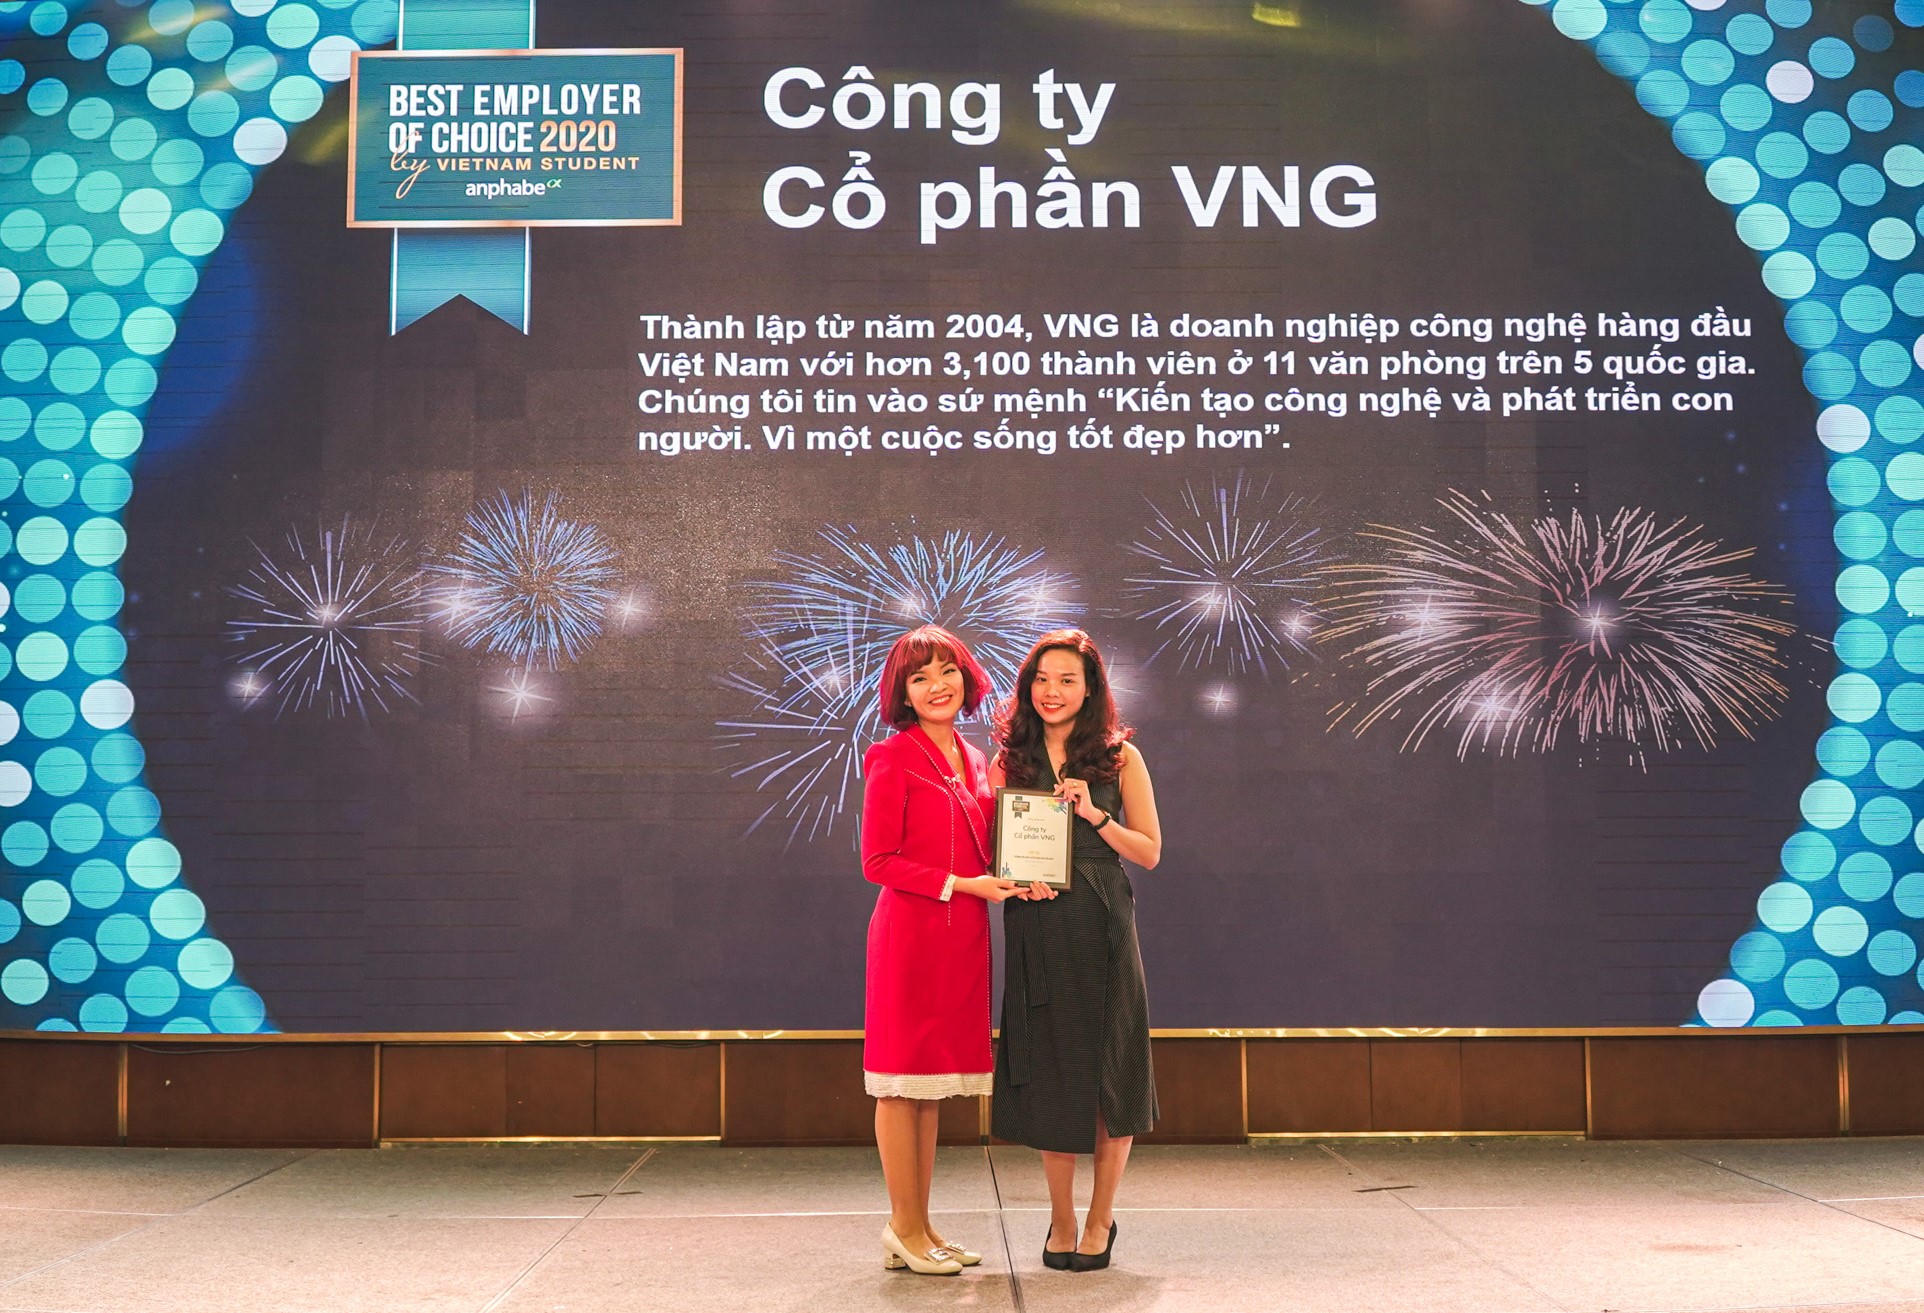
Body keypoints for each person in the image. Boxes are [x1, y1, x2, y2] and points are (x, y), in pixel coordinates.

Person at [991, 629, 1162, 1273]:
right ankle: (1061, 1218)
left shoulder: (1120, 758)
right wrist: (1014, 880)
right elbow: (992, 852)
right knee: (1052, 1068)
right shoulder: (1009, 761)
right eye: (1041, 679)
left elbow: (1149, 851)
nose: (1052, 691)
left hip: (1103, 923)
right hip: (1036, 923)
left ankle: (1100, 1218)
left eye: (1067, 679)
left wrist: (1095, 815)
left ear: (1090, 689)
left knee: (1111, 1065)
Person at [860, 624, 1027, 1276]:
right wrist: (963, 884)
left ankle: (919, 1226)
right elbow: (877, 861)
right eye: (920, 676)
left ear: (966, 677)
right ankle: (904, 1226)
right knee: (901, 1086)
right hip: (911, 936)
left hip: (961, 939)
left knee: (927, 1090)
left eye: (947, 671)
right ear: (903, 692)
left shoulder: (973, 756)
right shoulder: (891, 755)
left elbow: (990, 845)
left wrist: (1025, 869)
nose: (937, 685)